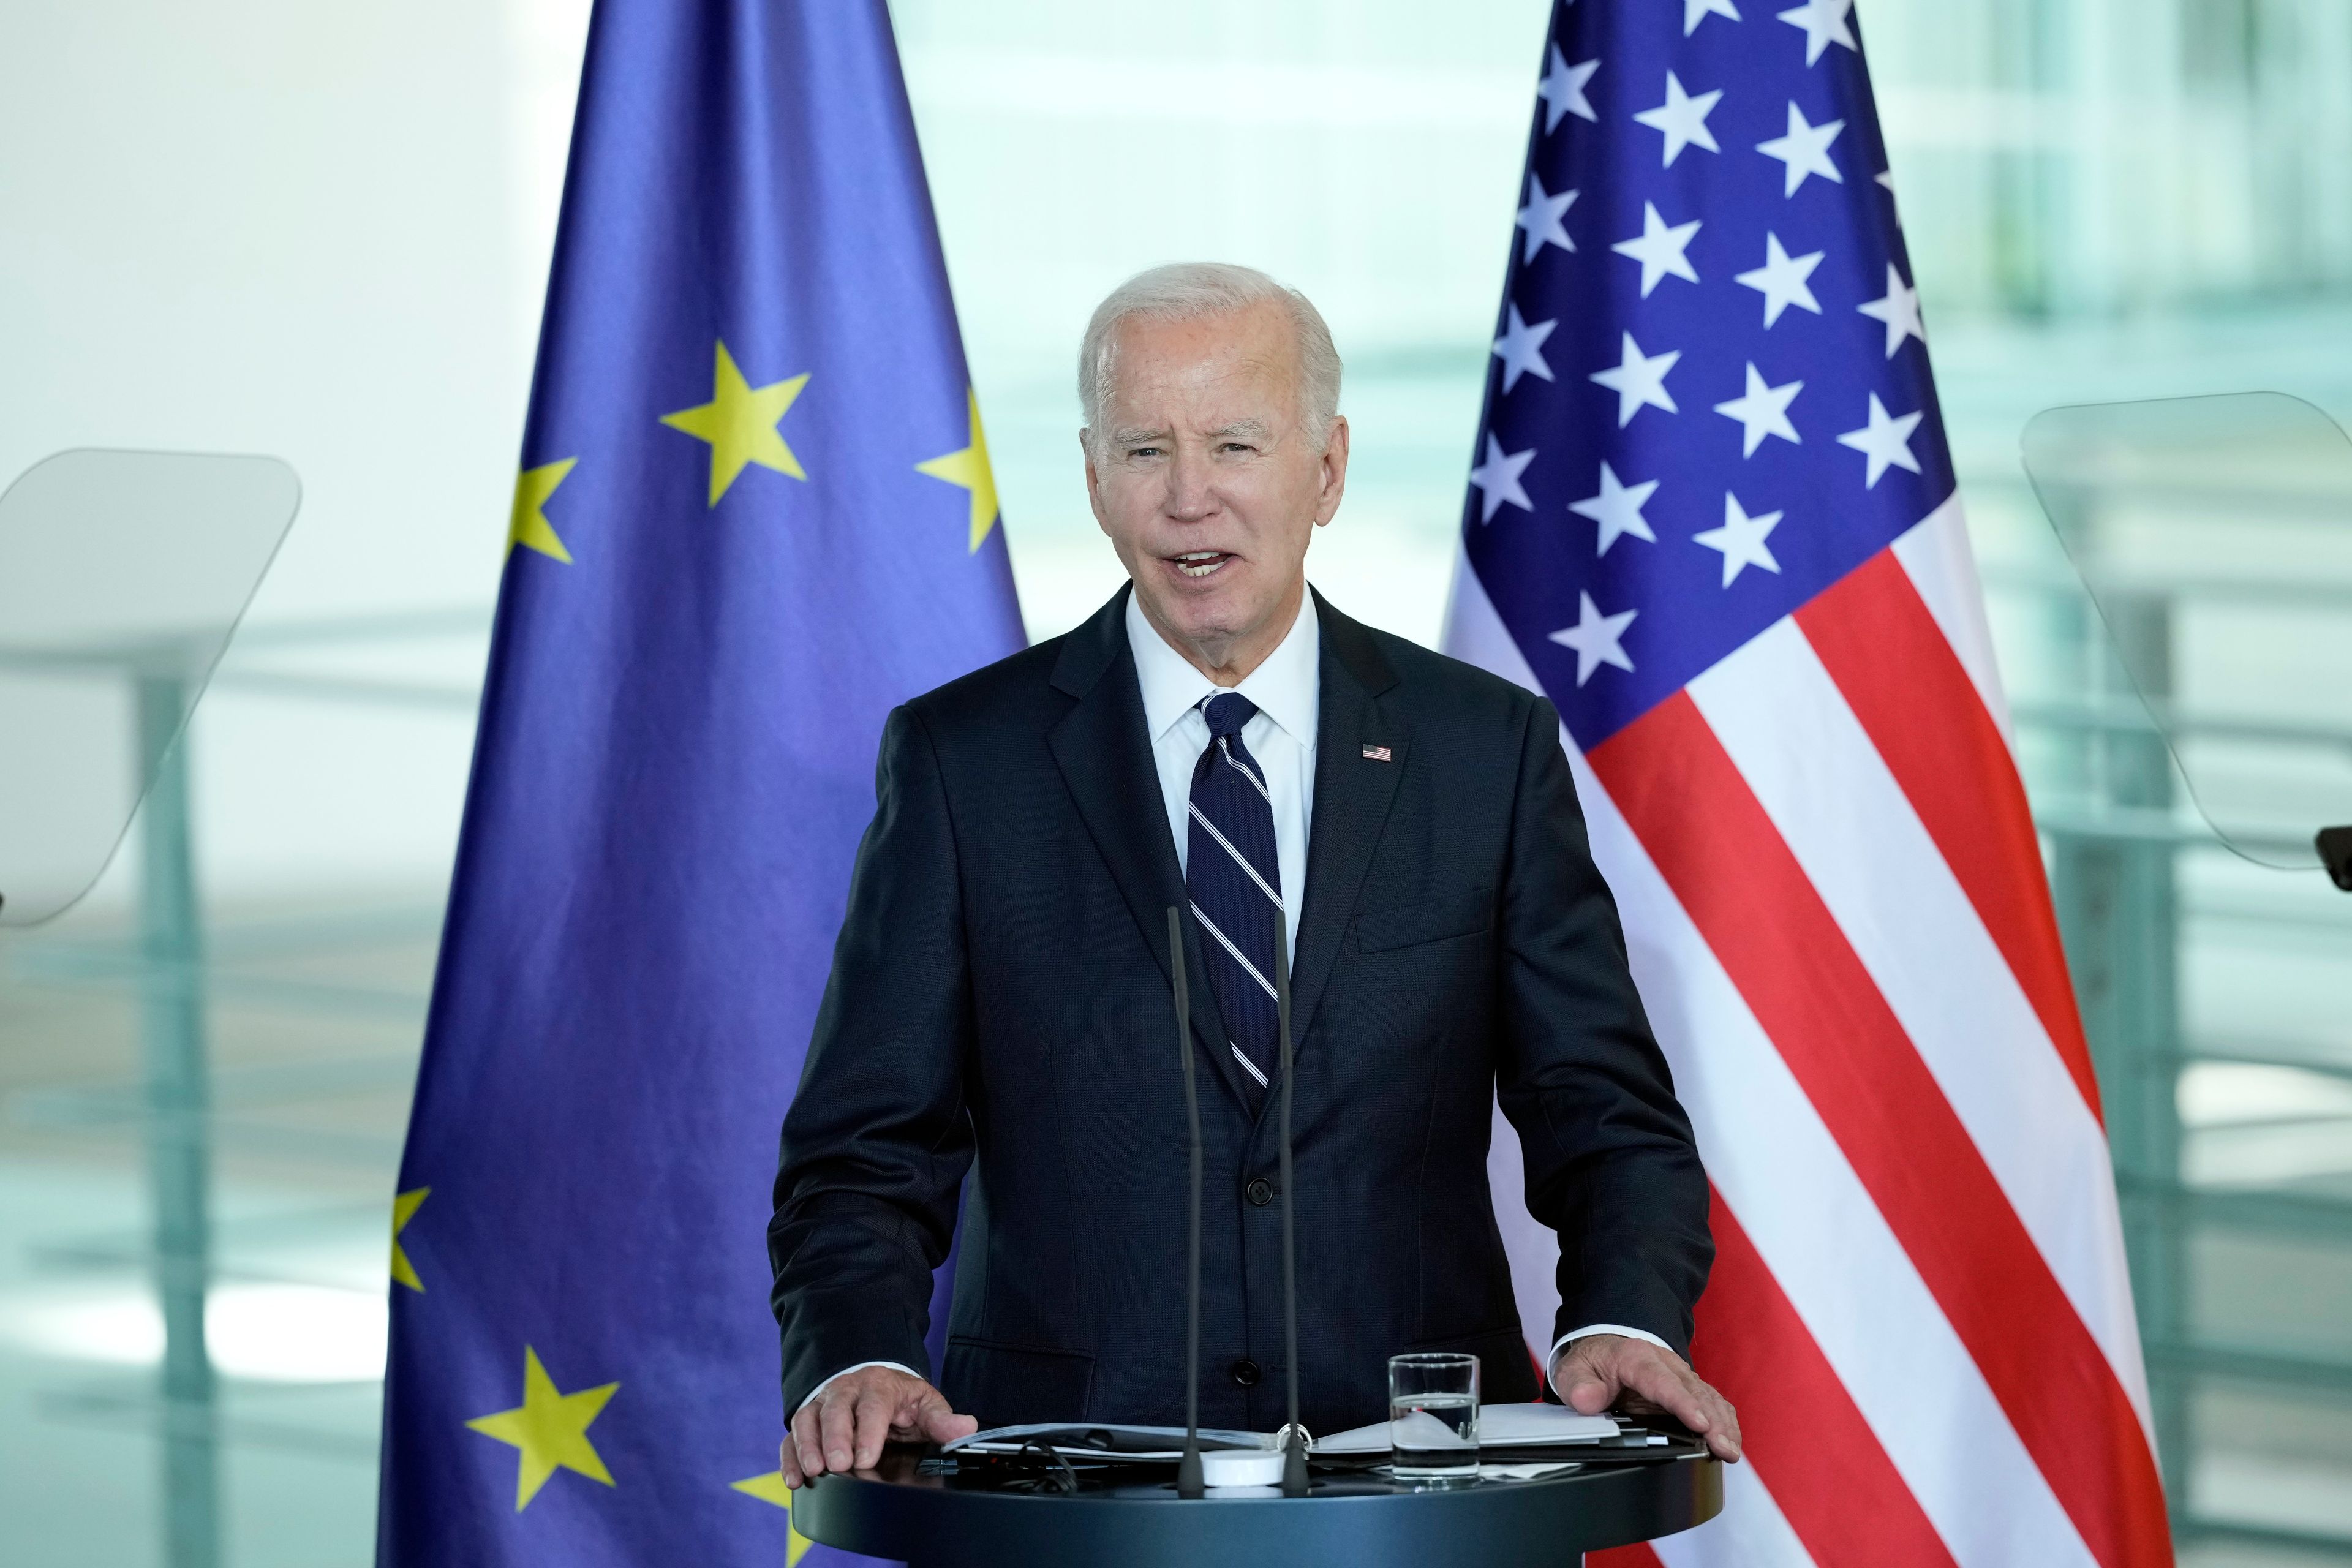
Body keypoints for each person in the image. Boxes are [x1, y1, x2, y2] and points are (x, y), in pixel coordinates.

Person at [770, 263, 1736, 1487]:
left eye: (1234, 443)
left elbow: (1605, 1113)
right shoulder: (968, 762)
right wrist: (854, 1350)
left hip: (1418, 1488)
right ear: (1091, 477)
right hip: (1071, 1498)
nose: (1188, 498)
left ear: (1326, 468)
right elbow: (862, 1153)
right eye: (1143, 450)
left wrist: (1624, 1317)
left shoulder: (1479, 751)